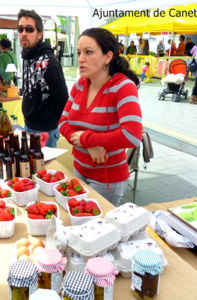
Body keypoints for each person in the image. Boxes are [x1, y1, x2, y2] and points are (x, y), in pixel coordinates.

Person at [59, 28, 142, 206]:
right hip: (79, 169)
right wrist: (89, 144)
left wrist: (88, 138)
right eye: (79, 52)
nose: (81, 59)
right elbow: (62, 122)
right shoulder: (80, 84)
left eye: (89, 52)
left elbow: (132, 136)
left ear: (107, 57)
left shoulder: (123, 87)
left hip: (107, 179)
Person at [17, 9, 68, 148]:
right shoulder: (27, 56)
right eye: (20, 29)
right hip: (27, 126)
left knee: (45, 169)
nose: (24, 33)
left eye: (29, 29)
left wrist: (49, 121)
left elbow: (63, 100)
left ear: (39, 34)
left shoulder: (50, 63)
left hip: (45, 132)